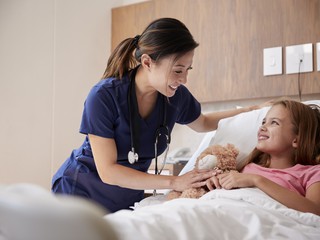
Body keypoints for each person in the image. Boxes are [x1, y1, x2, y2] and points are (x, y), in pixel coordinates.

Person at [52, 18, 262, 213]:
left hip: (124, 199)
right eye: (178, 70)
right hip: (80, 193)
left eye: (188, 70)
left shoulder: (175, 96)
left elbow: (203, 122)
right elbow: (108, 171)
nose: (184, 79)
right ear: (147, 62)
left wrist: (250, 111)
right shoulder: (104, 96)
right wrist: (175, 181)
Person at [206, 99, 320, 216]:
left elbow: (315, 210)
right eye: (263, 122)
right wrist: (216, 184)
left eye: (274, 123)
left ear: (296, 139)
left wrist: (256, 180)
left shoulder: (312, 173)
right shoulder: (247, 167)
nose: (262, 128)